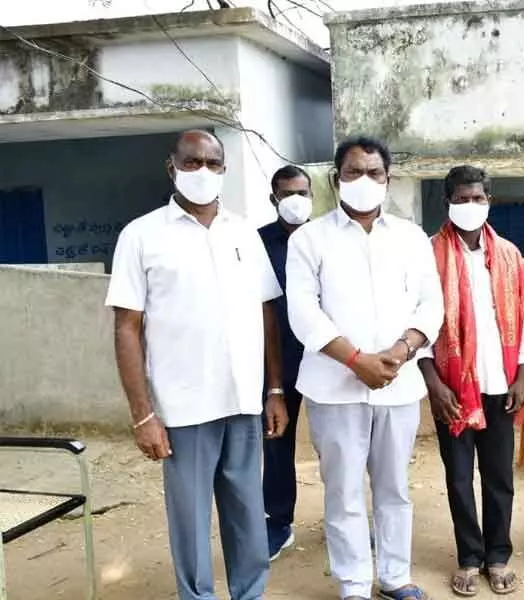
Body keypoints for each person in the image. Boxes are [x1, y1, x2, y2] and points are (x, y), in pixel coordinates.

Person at [106, 129, 288, 600]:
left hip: (243, 399)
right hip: (183, 407)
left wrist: (273, 390)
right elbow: (127, 327)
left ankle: (249, 593)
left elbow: (267, 309)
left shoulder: (242, 231)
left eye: (212, 163)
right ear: (172, 168)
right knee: (189, 519)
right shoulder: (141, 235)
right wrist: (143, 414)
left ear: (224, 170)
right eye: (191, 163)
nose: (202, 172)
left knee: (247, 511)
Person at [286, 135, 444, 600]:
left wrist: (401, 349)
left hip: (398, 383)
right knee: (344, 490)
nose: (364, 181)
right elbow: (303, 312)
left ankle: (396, 576)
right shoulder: (310, 239)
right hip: (334, 386)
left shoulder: (412, 238)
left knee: (395, 488)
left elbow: (430, 304)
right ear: (336, 179)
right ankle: (354, 583)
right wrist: (356, 360)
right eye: (354, 172)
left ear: (388, 180)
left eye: (374, 173)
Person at [416, 165, 524, 597]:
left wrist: (521, 375)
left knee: (500, 476)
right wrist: (434, 383)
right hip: (451, 387)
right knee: (459, 476)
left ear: (489, 201)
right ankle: (469, 555)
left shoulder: (509, 255)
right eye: (461, 199)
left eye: (477, 198)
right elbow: (418, 324)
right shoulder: (428, 254)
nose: (470, 206)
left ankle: (498, 554)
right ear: (447, 203)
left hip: (500, 383)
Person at [258, 164, 313, 560]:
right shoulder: (257, 243)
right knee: (277, 442)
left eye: (303, 192)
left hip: (330, 357)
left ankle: (359, 520)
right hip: (279, 359)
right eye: (287, 194)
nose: (296, 200)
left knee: (346, 444)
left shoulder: (328, 237)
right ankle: (278, 521)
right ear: (273, 199)